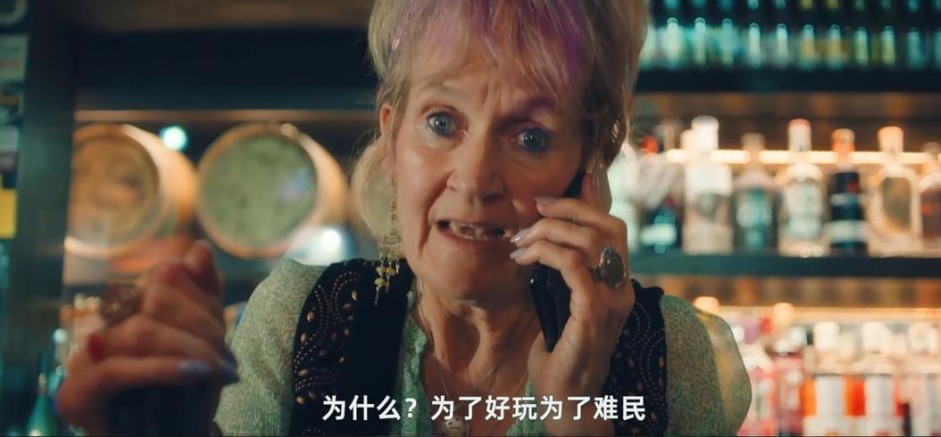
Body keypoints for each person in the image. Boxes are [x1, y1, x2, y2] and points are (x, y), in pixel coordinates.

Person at [57, 0, 751, 435]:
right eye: (442, 122)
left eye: (530, 136)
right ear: (392, 140)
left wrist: (576, 412)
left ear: (587, 167)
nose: (474, 178)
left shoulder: (675, 353)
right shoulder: (299, 317)